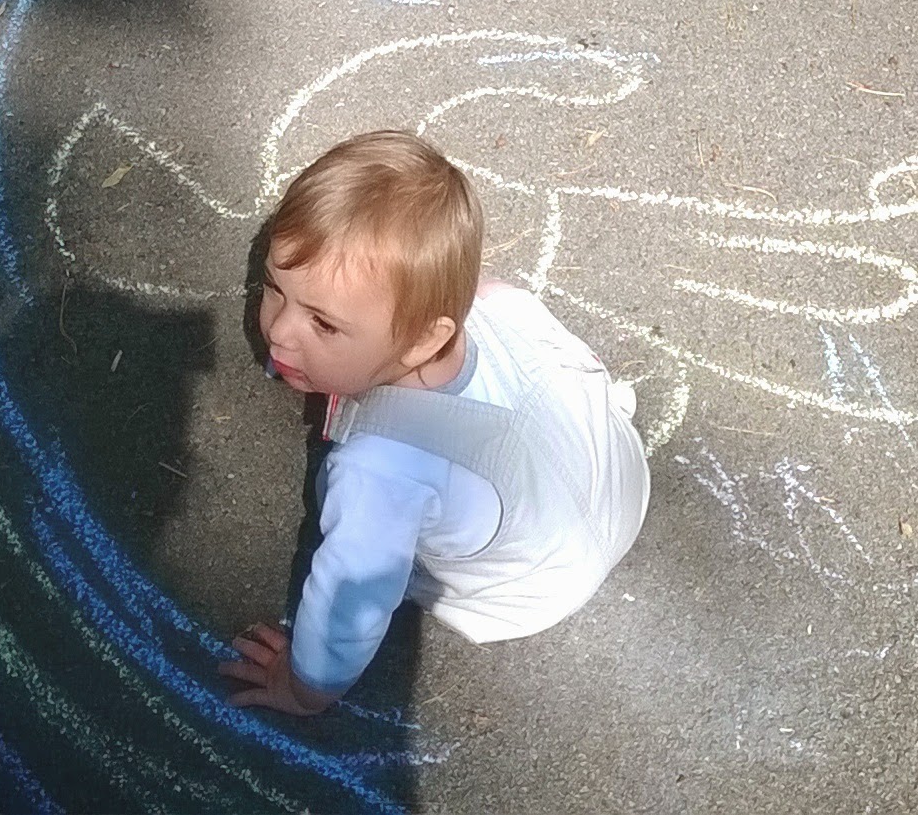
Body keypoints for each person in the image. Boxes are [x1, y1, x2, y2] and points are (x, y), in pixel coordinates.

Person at [218, 130, 650, 715]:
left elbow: (353, 598)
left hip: (531, 586)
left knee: (384, 524)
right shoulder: (503, 306)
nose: (277, 330)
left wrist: (305, 686)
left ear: (425, 339)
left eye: (324, 325)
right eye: (275, 289)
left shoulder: (380, 471)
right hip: (617, 482)